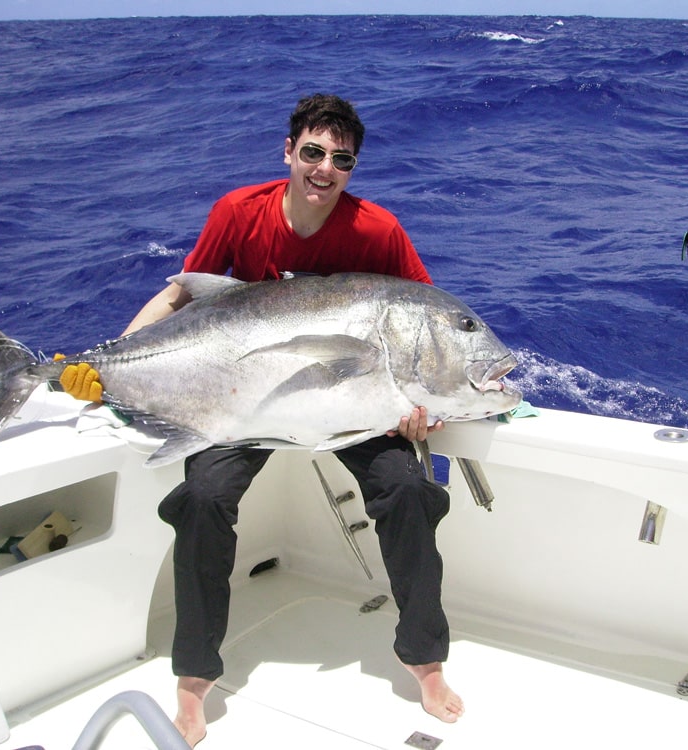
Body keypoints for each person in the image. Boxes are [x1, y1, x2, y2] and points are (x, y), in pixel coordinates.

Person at [62, 93, 464, 747]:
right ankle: (193, 684)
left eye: (341, 159)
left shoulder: (377, 232)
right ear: (288, 152)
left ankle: (424, 662)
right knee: (201, 497)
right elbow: (178, 296)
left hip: (348, 408)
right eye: (312, 152)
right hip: (240, 402)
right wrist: (100, 371)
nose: (324, 169)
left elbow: (422, 322)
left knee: (411, 490)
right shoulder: (238, 213)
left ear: (353, 168)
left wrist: (425, 409)